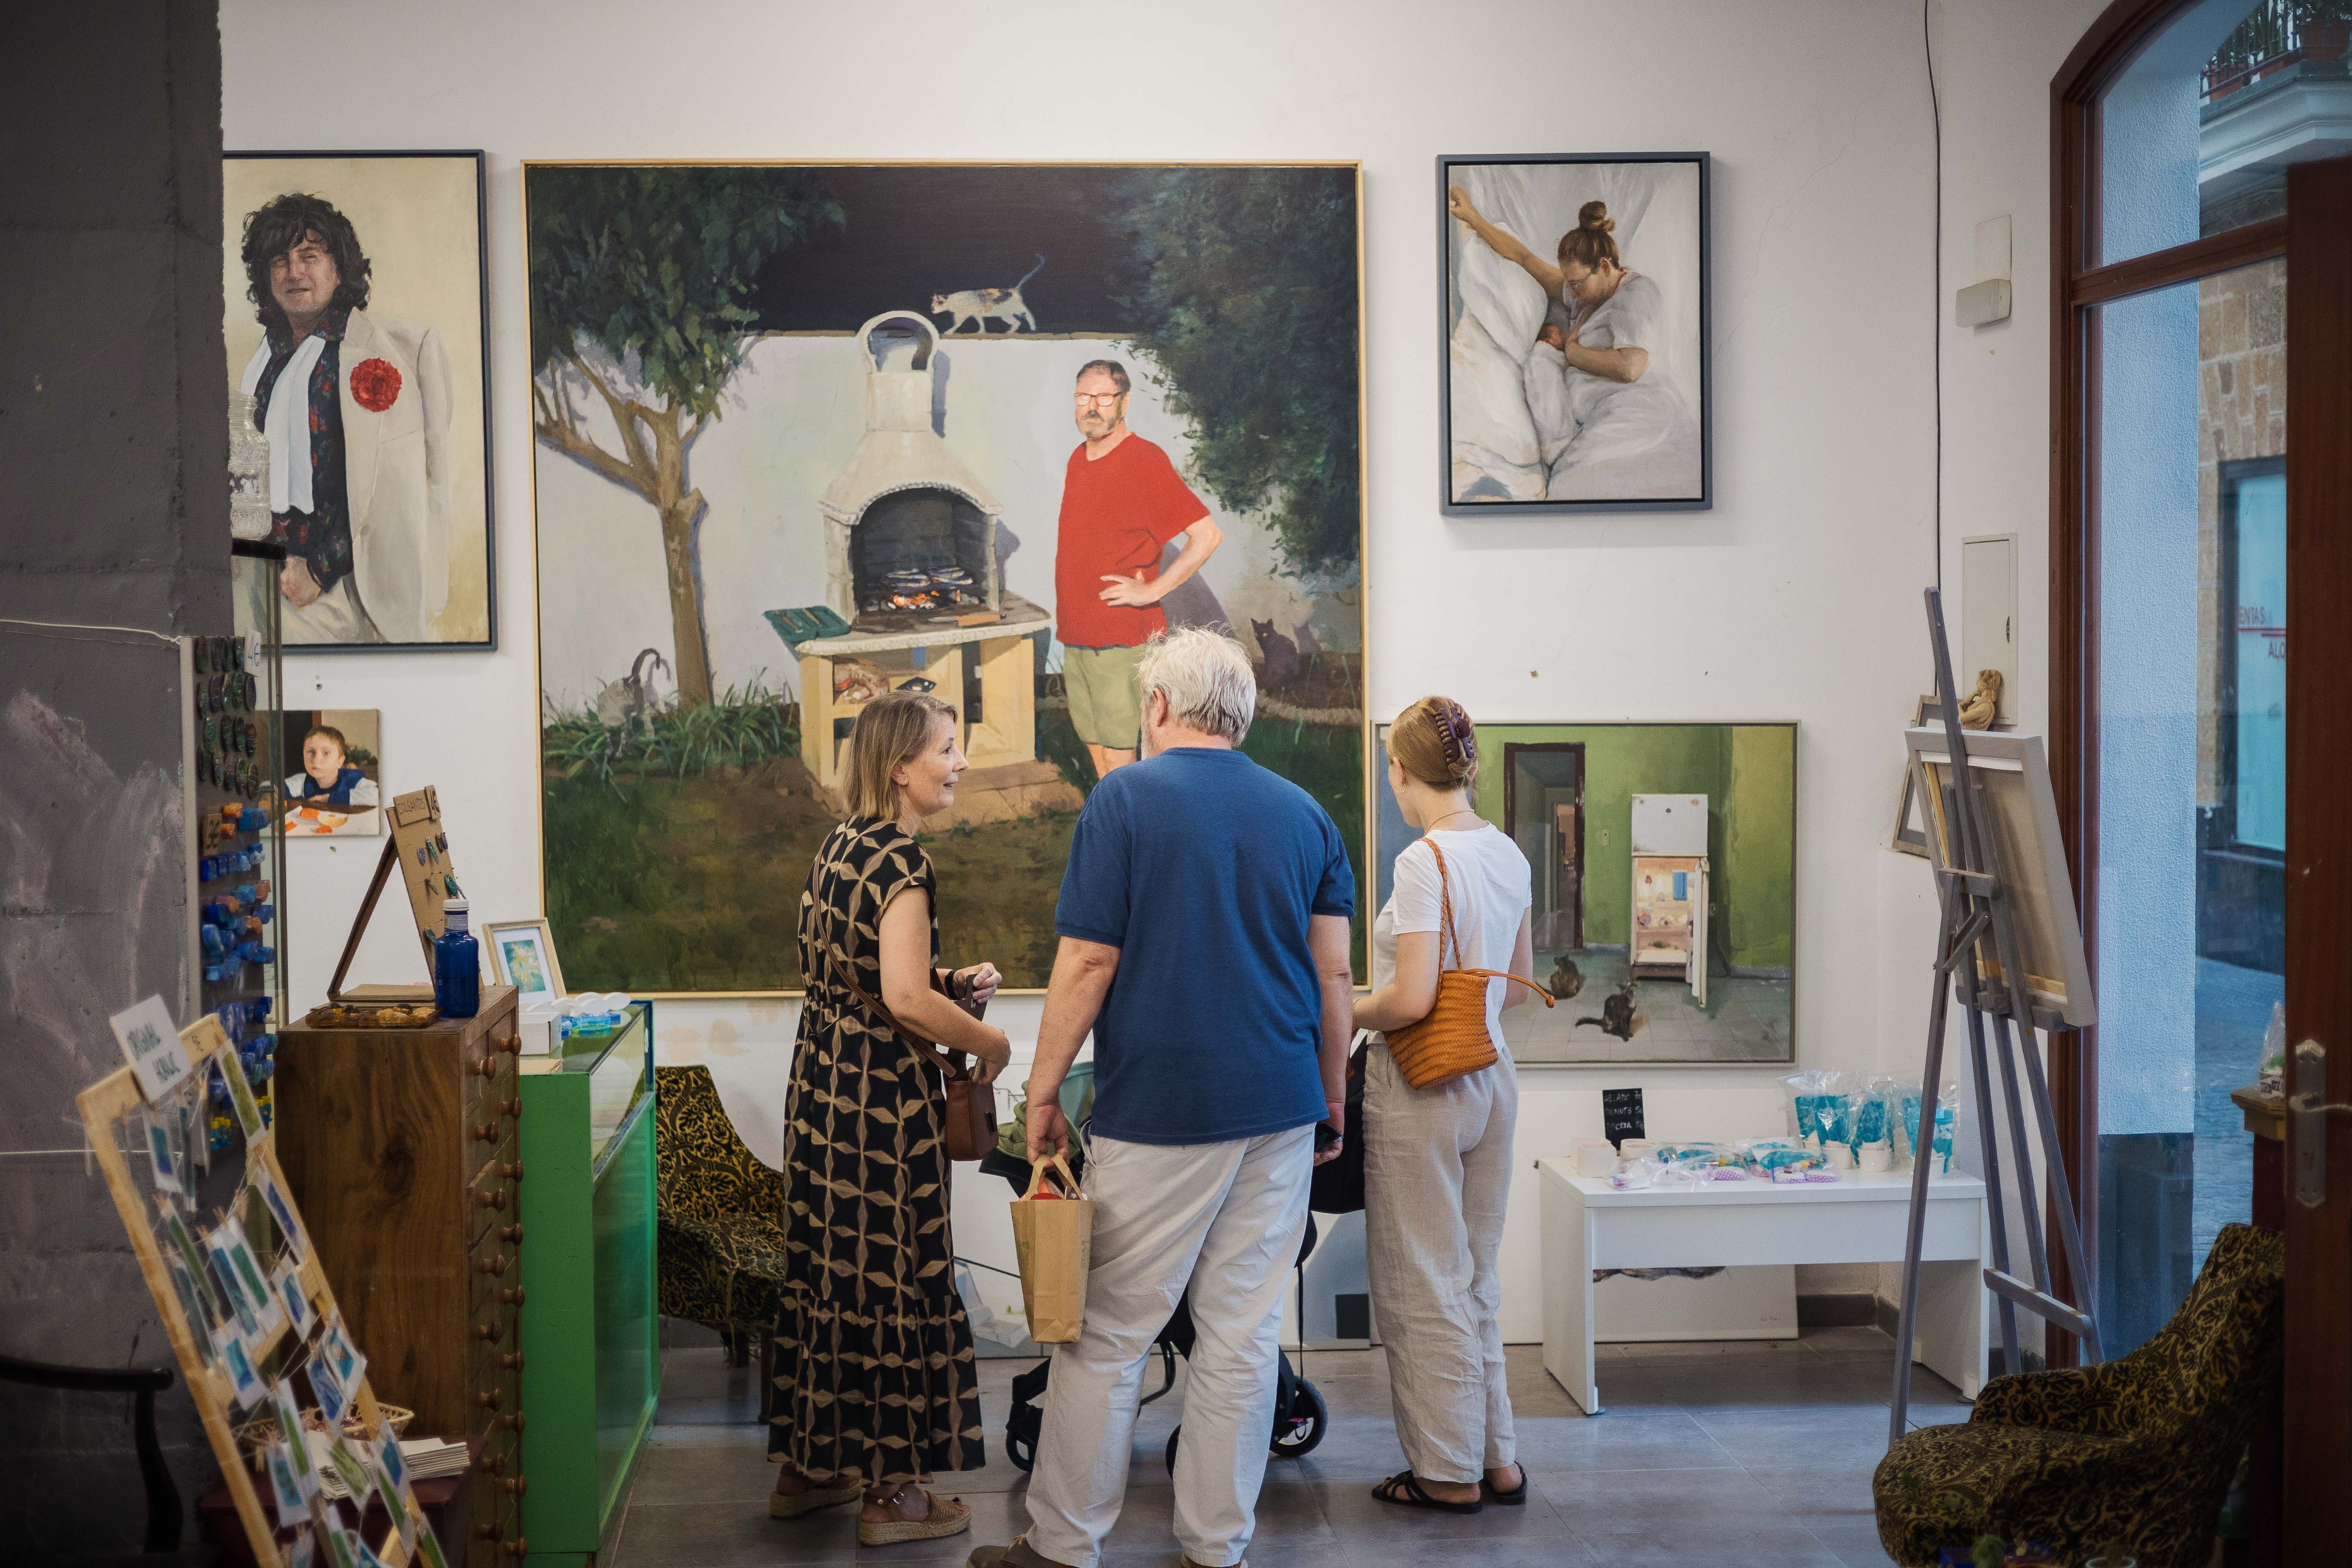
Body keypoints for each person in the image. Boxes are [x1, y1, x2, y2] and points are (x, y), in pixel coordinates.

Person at [967, 628, 1354, 1568]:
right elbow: (1334, 976)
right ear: (1244, 713)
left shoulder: (1125, 800)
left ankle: (1062, 1546)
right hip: (1281, 1108)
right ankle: (1217, 1547)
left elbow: (1090, 959)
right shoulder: (1306, 814)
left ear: (1155, 708)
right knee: (1242, 1335)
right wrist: (1333, 1100)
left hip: (1165, 1111)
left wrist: (1046, 1089)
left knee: (1108, 1335)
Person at [768, 691, 1013, 1547]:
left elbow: (864, 982)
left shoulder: (841, 849)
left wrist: (951, 987)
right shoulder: (902, 862)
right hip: (881, 1107)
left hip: (825, 1091)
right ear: (901, 766)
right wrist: (988, 1039)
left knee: (831, 1270)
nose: (960, 763)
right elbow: (903, 998)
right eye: (948, 748)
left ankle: (811, 1470)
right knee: (895, 1278)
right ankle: (895, 1498)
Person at [1352, 696, 1539, 1513]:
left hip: (1422, 1085)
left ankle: (1445, 1472)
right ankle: (1497, 1458)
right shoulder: (1507, 850)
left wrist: (1340, 1006)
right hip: (1493, 1074)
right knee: (1474, 1275)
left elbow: (1410, 997)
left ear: (1399, 769)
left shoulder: (1422, 860)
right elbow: (1520, 980)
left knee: (1420, 1276)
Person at [238, 193, 453, 645]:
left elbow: (393, 487)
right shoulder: (264, 361)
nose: (294, 272)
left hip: (346, 593)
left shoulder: (394, 351)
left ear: (339, 269)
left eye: (309, 257)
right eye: (279, 260)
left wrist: (317, 570)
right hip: (259, 580)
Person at [1445, 189, 1696, 493]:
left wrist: (1573, 352)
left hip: (1636, 413)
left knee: (1573, 487)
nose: (1572, 292)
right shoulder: (1584, 297)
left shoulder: (1636, 294)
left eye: (1577, 283)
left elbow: (1630, 368)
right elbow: (1524, 258)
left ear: (1604, 267)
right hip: (1597, 417)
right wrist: (1472, 217)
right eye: (1569, 283)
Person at [1052, 359, 1224, 780]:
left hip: (1121, 639)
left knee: (1121, 758)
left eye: (1103, 397)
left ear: (1124, 402)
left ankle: (1132, 839)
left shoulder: (1144, 460)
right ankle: (1114, 833)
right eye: (1083, 397)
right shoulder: (1080, 459)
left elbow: (1206, 536)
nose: (1092, 406)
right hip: (1078, 636)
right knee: (1095, 747)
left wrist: (1152, 592)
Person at [281, 725, 380, 810]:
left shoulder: (352, 780)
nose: (316, 760)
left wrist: (329, 798)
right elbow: (272, 789)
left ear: (340, 761)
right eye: (311, 752)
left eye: (326, 753)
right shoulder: (302, 780)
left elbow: (378, 795)